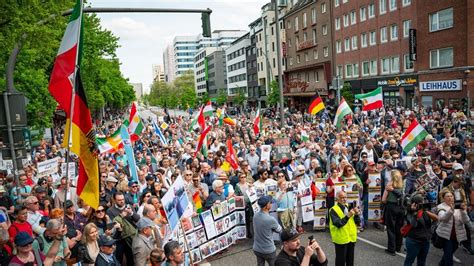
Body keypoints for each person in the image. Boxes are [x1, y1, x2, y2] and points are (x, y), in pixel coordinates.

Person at [435, 189, 470, 266]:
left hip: (457, 237)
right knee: (449, 259)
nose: (450, 198)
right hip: (445, 237)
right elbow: (443, 218)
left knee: (448, 254)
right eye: (448, 196)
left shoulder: (458, 206)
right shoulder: (441, 207)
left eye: (451, 196)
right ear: (444, 198)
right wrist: (452, 209)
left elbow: (465, 221)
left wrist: (463, 211)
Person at [403, 194, 438, 266]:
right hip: (414, 241)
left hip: (425, 241)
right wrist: (414, 212)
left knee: (422, 262)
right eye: (420, 202)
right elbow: (414, 224)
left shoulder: (426, 210)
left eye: (423, 201)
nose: (422, 203)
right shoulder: (409, 212)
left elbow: (437, 219)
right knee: (409, 261)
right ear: (414, 203)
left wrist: (425, 211)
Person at [329, 191, 360, 266]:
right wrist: (348, 216)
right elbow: (338, 224)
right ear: (337, 199)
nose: (345, 199)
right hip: (341, 239)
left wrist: (357, 215)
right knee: (340, 261)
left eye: (346, 197)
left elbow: (357, 222)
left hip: (351, 238)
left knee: (350, 261)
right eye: (342, 197)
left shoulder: (349, 206)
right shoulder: (333, 210)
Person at [253, 195, 282, 266]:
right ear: (266, 206)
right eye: (270, 203)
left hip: (257, 248)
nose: (271, 204)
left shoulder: (255, 216)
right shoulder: (270, 219)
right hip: (268, 250)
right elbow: (279, 230)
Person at [381, 170, 405, 255]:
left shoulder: (389, 185)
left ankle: (391, 249)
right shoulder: (402, 184)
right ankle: (398, 247)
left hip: (391, 207)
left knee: (391, 228)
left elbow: (383, 200)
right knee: (399, 228)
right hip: (401, 208)